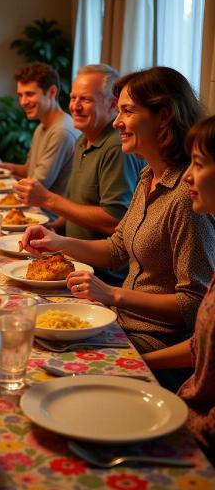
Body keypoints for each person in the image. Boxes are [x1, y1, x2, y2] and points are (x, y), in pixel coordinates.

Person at [21, 66, 215, 390]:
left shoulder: (186, 197)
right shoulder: (148, 178)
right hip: (122, 324)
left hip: (157, 342)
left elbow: (193, 306)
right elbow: (116, 249)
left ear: (163, 116)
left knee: (54, 374)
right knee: (38, 348)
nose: (116, 122)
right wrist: (56, 241)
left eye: (127, 111)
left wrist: (113, 295)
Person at [13, 64, 143, 284]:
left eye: (86, 100)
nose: (75, 106)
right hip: (69, 262)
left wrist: (47, 200)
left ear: (113, 105)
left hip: (100, 276)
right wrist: (52, 229)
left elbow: (115, 220)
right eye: (73, 98)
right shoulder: (83, 139)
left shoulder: (115, 147)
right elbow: (78, 204)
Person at [143, 116, 215, 462]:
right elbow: (203, 348)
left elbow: (189, 305)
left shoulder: (185, 205)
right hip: (185, 407)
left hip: (199, 435)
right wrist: (136, 363)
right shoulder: (147, 178)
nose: (188, 174)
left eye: (198, 164)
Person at [3, 62, 80, 196]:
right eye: (20, 95)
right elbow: (30, 170)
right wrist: (3, 168)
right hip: (36, 207)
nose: (23, 102)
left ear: (51, 92)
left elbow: (35, 186)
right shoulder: (41, 127)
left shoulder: (62, 131)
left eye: (29, 94)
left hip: (48, 214)